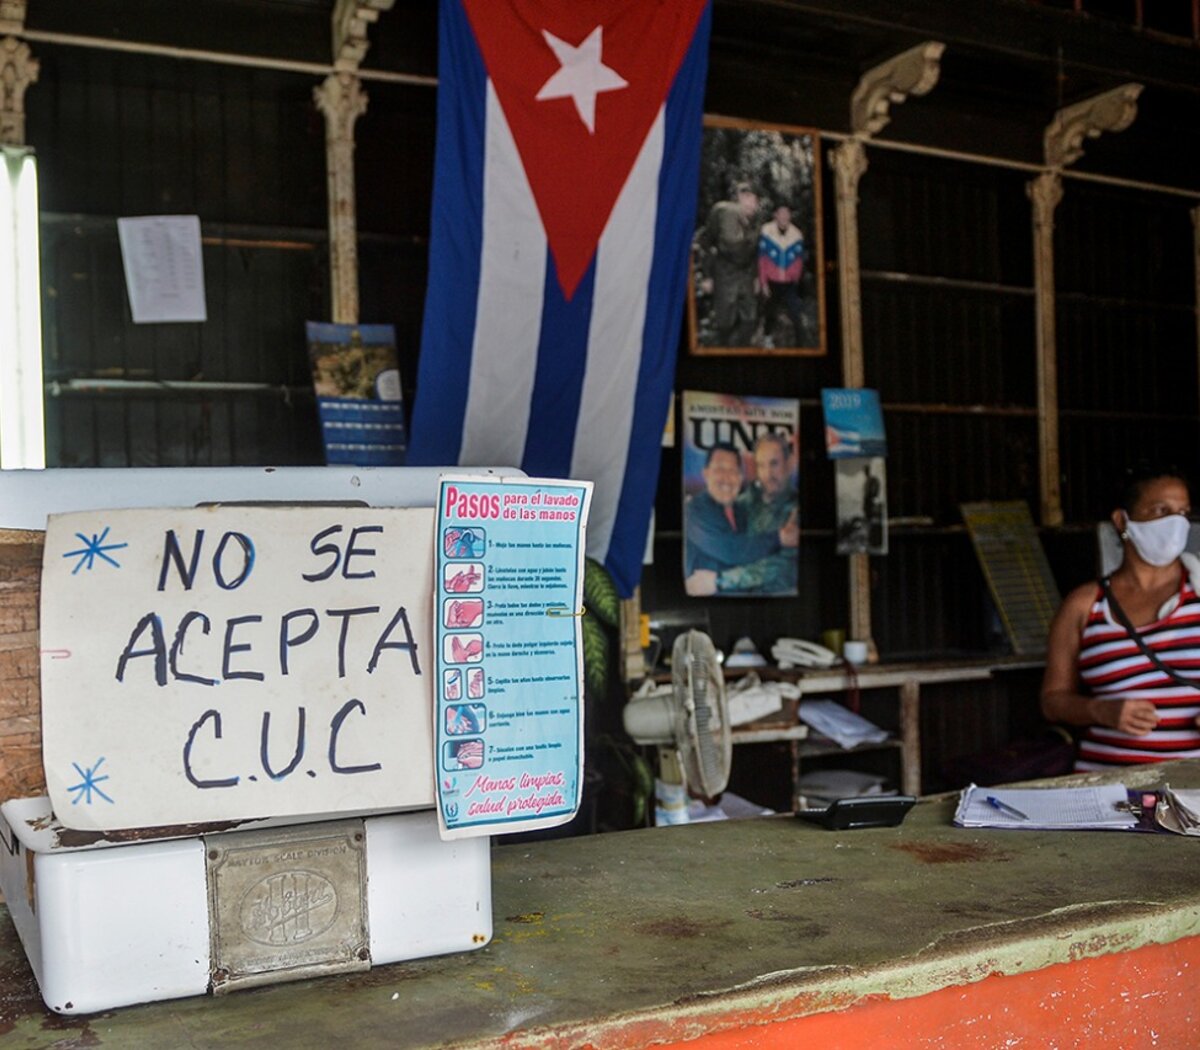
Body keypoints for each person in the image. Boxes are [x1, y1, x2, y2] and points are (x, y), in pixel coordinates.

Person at [1041, 468, 1200, 770]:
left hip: (1195, 794)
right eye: (1160, 511)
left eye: (1182, 512)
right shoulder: (1084, 605)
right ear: (1122, 520)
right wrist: (1099, 710)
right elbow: (1052, 701)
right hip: (1107, 789)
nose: (1176, 523)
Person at [684, 442, 798, 595]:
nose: (726, 478)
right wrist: (779, 538)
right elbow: (731, 550)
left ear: (740, 477)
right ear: (706, 474)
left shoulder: (744, 508)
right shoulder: (695, 510)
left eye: (733, 471)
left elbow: (776, 563)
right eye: (719, 469)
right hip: (707, 607)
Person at [697, 182, 759, 346]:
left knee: (750, 318)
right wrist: (707, 276)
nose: (750, 202)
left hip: (746, 275)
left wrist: (757, 277)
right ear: (736, 199)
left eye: (753, 198)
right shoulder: (722, 212)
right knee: (725, 321)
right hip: (724, 273)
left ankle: (741, 350)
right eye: (745, 197)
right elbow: (706, 243)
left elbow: (756, 253)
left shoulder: (756, 222)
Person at [757, 203, 807, 348]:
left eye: (787, 213)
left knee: (796, 313)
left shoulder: (797, 234)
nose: (784, 216)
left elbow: (799, 260)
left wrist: (795, 278)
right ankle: (767, 338)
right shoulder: (766, 231)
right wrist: (763, 283)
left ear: (790, 216)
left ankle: (801, 346)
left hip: (789, 283)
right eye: (781, 213)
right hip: (772, 281)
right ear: (775, 215)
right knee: (770, 312)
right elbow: (762, 260)